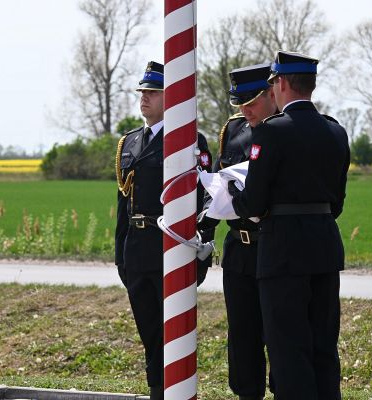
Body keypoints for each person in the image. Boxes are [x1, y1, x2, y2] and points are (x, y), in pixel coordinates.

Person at [229, 51, 350, 399]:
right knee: (324, 346)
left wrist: (232, 201)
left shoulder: (271, 133)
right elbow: (337, 201)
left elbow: (253, 202)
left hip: (282, 254)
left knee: (288, 350)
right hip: (325, 248)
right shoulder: (335, 131)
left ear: (280, 83)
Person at [114, 61, 213, 400]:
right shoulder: (129, 142)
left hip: (170, 248)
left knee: (174, 332)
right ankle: (157, 388)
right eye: (142, 92)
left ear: (170, 99)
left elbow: (204, 197)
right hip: (137, 251)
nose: (144, 99)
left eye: (153, 93)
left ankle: (168, 393)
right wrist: (120, 256)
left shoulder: (187, 140)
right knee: (149, 330)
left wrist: (201, 252)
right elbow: (123, 206)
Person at [200, 63, 278, 400]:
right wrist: (203, 234)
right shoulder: (233, 131)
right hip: (239, 249)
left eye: (253, 101)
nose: (246, 110)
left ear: (273, 92)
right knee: (242, 335)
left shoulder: (286, 131)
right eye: (240, 104)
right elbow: (220, 184)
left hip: (275, 245)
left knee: (279, 332)